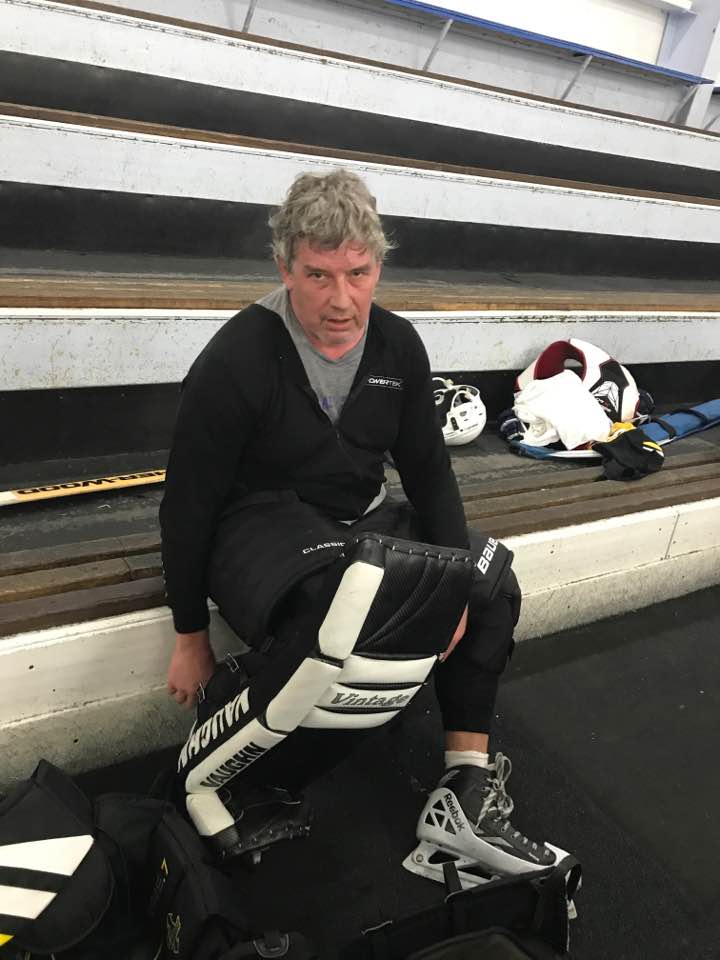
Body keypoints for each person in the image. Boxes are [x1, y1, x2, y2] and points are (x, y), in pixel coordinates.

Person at [159, 168, 564, 879]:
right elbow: (187, 503)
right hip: (257, 528)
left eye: (358, 273)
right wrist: (190, 635)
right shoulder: (238, 357)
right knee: (348, 605)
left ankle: (464, 790)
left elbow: (429, 473)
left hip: (358, 524)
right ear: (285, 268)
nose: (341, 300)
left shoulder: (398, 347)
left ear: (378, 266)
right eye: (318, 275)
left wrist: (455, 586)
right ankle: (242, 761)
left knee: (490, 584)